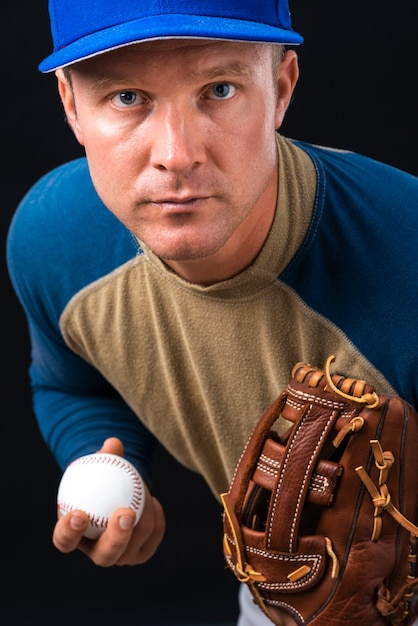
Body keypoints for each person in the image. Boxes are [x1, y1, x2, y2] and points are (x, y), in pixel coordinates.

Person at [6, 0, 418, 624]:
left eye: (219, 89)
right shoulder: (58, 243)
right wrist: (104, 459)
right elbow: (69, 384)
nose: (176, 154)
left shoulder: (406, 256)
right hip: (283, 591)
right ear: (70, 106)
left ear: (280, 89)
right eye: (126, 97)